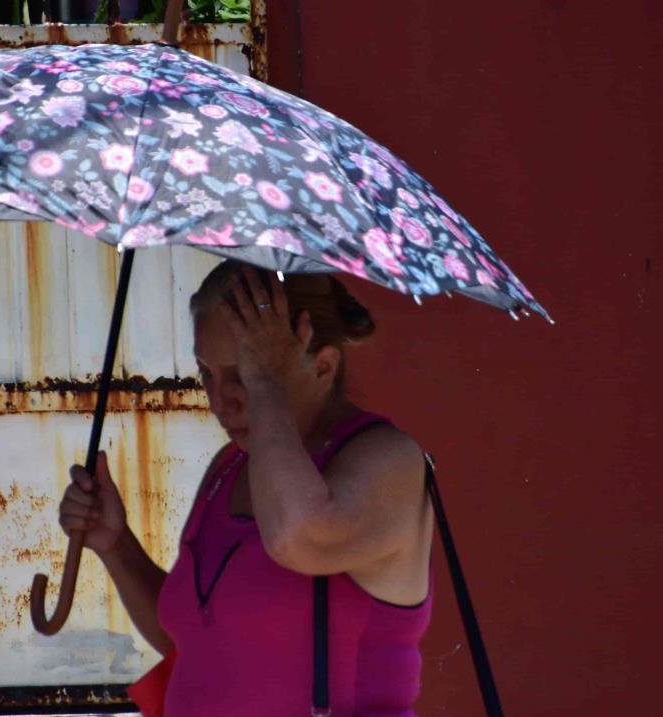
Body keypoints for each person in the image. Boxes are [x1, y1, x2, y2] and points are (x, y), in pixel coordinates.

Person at [58, 259, 434, 716]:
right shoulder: (231, 467)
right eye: (207, 373)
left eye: (244, 372)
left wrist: (266, 383)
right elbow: (200, 640)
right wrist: (116, 544)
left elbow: (298, 538)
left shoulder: (386, 459)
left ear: (323, 366)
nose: (220, 400)